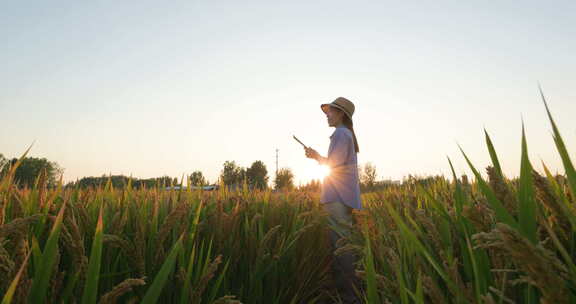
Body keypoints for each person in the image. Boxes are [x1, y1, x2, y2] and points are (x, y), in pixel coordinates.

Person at [304, 97, 362, 304]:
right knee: (343, 245)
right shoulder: (346, 135)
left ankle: (349, 298)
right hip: (343, 197)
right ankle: (348, 294)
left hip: (337, 197)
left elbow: (334, 166)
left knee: (341, 249)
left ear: (341, 114)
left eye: (330, 111)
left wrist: (316, 156)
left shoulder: (340, 134)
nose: (327, 115)